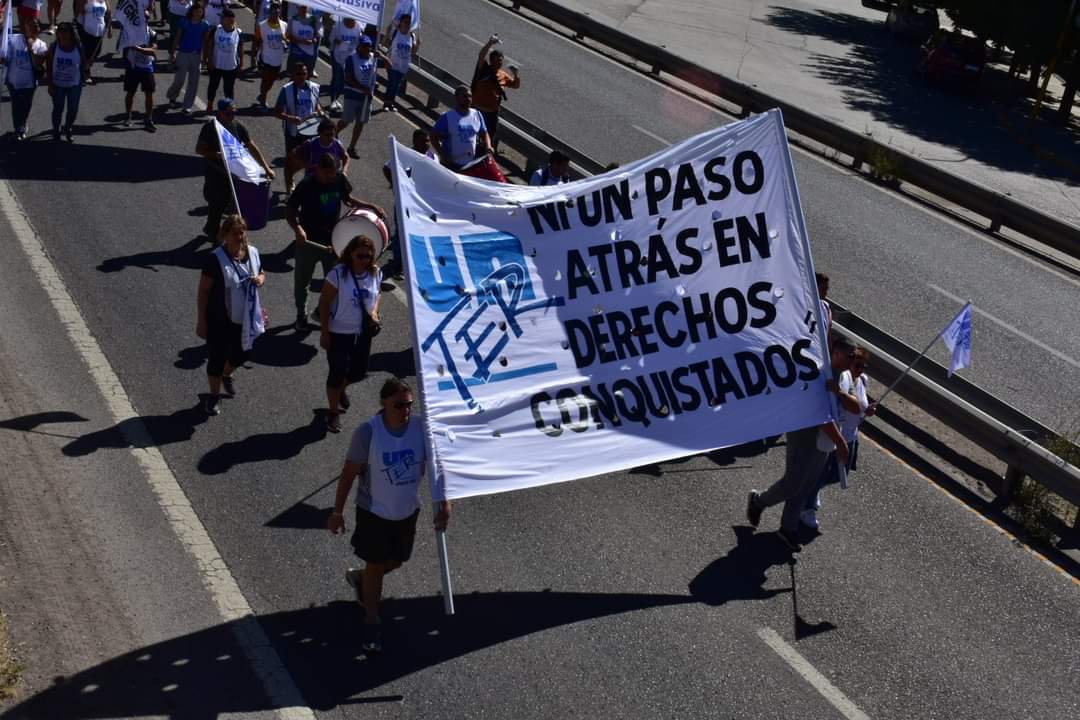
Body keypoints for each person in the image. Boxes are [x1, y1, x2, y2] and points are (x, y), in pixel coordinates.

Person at [328, 377, 451, 653]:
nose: (405, 410)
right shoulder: (368, 432)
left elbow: (437, 466)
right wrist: (337, 512)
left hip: (407, 512)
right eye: (398, 405)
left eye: (408, 405)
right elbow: (349, 474)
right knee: (376, 565)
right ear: (384, 404)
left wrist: (445, 501)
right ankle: (371, 621)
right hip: (374, 512)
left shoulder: (421, 428)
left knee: (396, 562)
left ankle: (363, 579)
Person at [745, 336, 855, 551]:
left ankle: (788, 528)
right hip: (806, 432)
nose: (853, 360)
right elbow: (820, 416)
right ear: (836, 352)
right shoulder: (819, 374)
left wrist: (841, 394)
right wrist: (841, 443)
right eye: (850, 356)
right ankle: (759, 501)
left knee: (807, 484)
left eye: (855, 357)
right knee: (793, 481)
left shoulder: (845, 377)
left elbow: (853, 405)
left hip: (826, 438)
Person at [286, 154, 383, 332]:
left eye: (333, 173)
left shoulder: (338, 180)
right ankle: (301, 314)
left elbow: (348, 200)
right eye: (327, 174)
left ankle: (319, 311)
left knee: (337, 282)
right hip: (308, 243)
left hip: (333, 242)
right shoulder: (306, 185)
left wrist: (370, 206)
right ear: (317, 170)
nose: (331, 177)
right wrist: (298, 229)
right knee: (302, 281)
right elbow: (290, 211)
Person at [195, 214, 266, 416]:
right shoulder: (215, 259)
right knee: (216, 358)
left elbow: (261, 272)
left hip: (245, 317)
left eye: (242, 231)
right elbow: (203, 291)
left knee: (244, 353)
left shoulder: (252, 253)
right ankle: (214, 396)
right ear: (225, 235)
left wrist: (260, 279)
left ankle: (227, 374)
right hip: (219, 319)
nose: (240, 236)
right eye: (235, 232)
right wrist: (201, 320)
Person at [801, 347, 876, 530]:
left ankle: (813, 490)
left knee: (837, 475)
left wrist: (868, 410)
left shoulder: (862, 380)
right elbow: (851, 406)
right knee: (824, 472)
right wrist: (844, 396)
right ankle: (806, 508)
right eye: (857, 365)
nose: (860, 369)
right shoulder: (842, 380)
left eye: (863, 366)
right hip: (837, 436)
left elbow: (859, 407)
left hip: (852, 436)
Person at [317, 235, 381, 433]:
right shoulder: (338, 274)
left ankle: (340, 390)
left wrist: (374, 313)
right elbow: (325, 303)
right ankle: (333, 412)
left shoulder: (375, 272)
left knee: (359, 372)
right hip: (339, 332)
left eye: (368, 257)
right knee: (336, 372)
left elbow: (378, 293)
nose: (364, 260)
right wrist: (324, 333)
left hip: (362, 332)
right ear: (351, 253)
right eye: (360, 256)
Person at [195, 98, 275, 239]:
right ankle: (214, 232)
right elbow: (199, 150)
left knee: (233, 207)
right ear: (220, 113)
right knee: (217, 203)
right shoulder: (210, 128)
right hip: (216, 173)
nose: (232, 116)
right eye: (228, 114)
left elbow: (251, 146)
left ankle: (221, 233)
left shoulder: (237, 126)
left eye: (234, 113)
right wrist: (217, 155)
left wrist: (266, 167)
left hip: (234, 174)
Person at [380, 128, 436, 279]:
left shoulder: (433, 157)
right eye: (424, 141)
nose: (427, 144)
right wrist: (395, 184)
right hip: (404, 201)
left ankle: (413, 262)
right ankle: (398, 266)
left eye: (428, 140)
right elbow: (387, 168)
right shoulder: (405, 155)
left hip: (422, 204)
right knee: (401, 234)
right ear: (415, 141)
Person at [273, 61, 323, 195]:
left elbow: (316, 104)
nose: (302, 76)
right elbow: (276, 112)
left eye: (304, 73)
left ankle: (305, 187)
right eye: (298, 74)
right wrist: (290, 118)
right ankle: (289, 185)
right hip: (293, 132)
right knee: (291, 161)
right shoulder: (287, 89)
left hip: (310, 130)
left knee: (308, 161)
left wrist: (321, 112)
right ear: (293, 75)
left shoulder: (314, 87)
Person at [471, 35, 520, 151]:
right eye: (497, 59)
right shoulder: (484, 69)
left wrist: (516, 74)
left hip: (491, 113)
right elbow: (481, 55)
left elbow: (516, 85)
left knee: (488, 139)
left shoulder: (503, 75)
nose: (500, 61)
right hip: (477, 109)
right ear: (491, 60)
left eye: (501, 59)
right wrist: (489, 43)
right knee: (471, 135)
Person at [2, 18, 48, 141]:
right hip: (14, 81)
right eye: (31, 24)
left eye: (36, 25)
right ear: (25, 27)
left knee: (26, 106)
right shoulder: (14, 38)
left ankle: (22, 123)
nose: (34, 27)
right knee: (16, 106)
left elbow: (39, 63)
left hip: (29, 83)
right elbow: (5, 53)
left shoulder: (42, 45)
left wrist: (30, 45)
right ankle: (19, 129)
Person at [430, 85, 492, 171]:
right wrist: (442, 154)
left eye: (470, 96)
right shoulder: (448, 117)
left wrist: (488, 145)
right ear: (457, 98)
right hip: (451, 165)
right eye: (465, 96)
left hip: (470, 164)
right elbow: (433, 136)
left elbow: (484, 133)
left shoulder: (477, 115)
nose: (468, 99)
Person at [337, 34, 378, 160]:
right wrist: (362, 88)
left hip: (366, 97)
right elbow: (348, 78)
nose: (367, 48)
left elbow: (389, 65)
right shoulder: (351, 59)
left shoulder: (373, 58)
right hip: (353, 95)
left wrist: (382, 57)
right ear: (359, 46)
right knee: (346, 120)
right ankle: (334, 132)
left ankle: (352, 147)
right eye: (364, 46)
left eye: (369, 46)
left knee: (360, 123)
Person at [167, 2, 209, 113]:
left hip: (196, 55)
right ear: (192, 11)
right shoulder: (184, 22)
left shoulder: (205, 25)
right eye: (197, 11)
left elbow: (205, 42)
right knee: (179, 79)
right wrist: (173, 53)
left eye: (200, 11)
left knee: (193, 82)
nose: (199, 13)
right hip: (183, 54)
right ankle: (172, 96)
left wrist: (205, 59)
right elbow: (178, 37)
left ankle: (187, 106)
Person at [46, 23, 84, 142]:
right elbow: (49, 66)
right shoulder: (54, 47)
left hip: (74, 84)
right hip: (58, 85)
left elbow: (84, 62)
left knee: (73, 109)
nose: (63, 33)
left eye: (65, 30)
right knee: (58, 108)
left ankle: (68, 128)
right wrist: (50, 84)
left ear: (71, 33)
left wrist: (87, 68)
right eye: (60, 31)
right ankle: (56, 130)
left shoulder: (78, 47)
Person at [204, 8, 242, 110]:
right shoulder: (216, 30)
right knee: (213, 86)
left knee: (229, 89)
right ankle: (210, 104)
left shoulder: (238, 32)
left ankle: (229, 108)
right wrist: (209, 60)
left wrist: (241, 64)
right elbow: (210, 46)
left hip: (231, 66)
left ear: (229, 20)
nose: (220, 19)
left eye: (222, 17)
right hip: (216, 65)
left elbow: (240, 49)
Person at [121, 24, 158, 130]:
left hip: (147, 67)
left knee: (149, 94)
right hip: (133, 67)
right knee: (130, 93)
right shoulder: (130, 32)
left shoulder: (152, 33)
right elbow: (125, 48)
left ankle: (148, 119)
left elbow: (153, 50)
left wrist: (138, 49)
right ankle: (128, 116)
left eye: (146, 17)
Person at [252, 0, 286, 109]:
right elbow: (256, 41)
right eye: (273, 11)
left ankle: (262, 95)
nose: (275, 13)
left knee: (272, 81)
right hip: (266, 58)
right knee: (265, 80)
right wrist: (253, 56)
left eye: (277, 12)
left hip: (278, 59)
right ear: (269, 12)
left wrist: (286, 41)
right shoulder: (262, 26)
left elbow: (288, 39)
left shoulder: (284, 25)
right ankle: (263, 101)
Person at [381, 11, 416, 112]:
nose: (407, 24)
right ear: (400, 22)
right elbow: (384, 41)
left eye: (409, 22)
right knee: (392, 83)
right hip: (392, 63)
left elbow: (412, 52)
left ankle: (391, 103)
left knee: (396, 85)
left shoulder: (412, 36)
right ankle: (386, 103)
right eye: (405, 22)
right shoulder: (396, 32)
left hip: (403, 65)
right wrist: (388, 32)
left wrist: (417, 45)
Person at [327, 14, 360, 112]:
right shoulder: (339, 25)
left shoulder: (357, 26)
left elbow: (358, 41)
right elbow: (331, 38)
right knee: (336, 77)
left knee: (343, 80)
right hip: (337, 55)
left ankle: (336, 99)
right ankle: (332, 101)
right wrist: (339, 42)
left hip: (349, 57)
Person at [75, 0, 111, 84]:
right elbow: (77, 13)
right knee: (86, 53)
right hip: (86, 30)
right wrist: (83, 3)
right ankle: (86, 73)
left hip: (99, 31)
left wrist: (110, 28)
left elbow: (108, 13)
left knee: (96, 52)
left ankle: (84, 68)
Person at [285, 3, 319, 77]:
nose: (303, 9)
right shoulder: (292, 19)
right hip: (296, 53)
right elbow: (288, 36)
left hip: (309, 54)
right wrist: (301, 41)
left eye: (305, 7)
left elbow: (316, 35)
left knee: (306, 76)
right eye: (301, 7)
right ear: (297, 8)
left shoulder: (313, 19)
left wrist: (313, 40)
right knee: (294, 76)